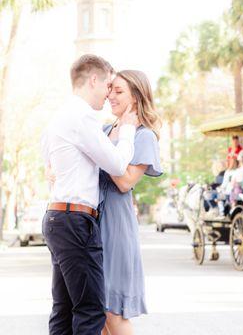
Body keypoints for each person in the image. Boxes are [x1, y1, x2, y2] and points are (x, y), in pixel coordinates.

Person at [41, 55, 139, 335]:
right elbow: (118, 165)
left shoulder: (60, 115)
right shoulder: (82, 116)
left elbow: (46, 159)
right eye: (108, 85)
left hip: (58, 217)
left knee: (64, 309)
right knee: (90, 310)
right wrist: (128, 131)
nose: (109, 93)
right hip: (75, 221)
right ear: (93, 80)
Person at [99, 70, 162, 335]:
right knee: (98, 312)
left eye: (119, 91)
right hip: (90, 221)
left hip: (115, 225)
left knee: (114, 312)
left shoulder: (143, 135)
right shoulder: (103, 129)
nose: (110, 95)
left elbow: (125, 182)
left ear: (135, 97)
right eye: (110, 89)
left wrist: (101, 150)